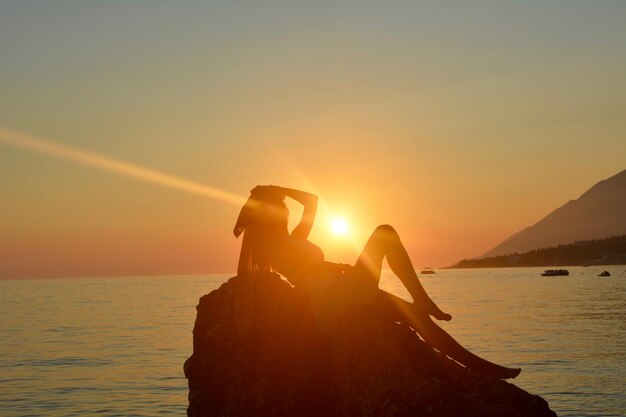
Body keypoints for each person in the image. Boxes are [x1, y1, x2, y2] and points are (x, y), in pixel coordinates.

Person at [233, 185, 521, 379]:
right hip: (329, 294)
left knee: (416, 320)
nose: (286, 210)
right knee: (385, 233)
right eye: (280, 208)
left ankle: (485, 369)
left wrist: (277, 190)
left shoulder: (295, 238)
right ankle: (422, 298)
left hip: (337, 290)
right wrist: (276, 192)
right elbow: (300, 271)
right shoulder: (270, 247)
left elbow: (313, 202)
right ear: (268, 216)